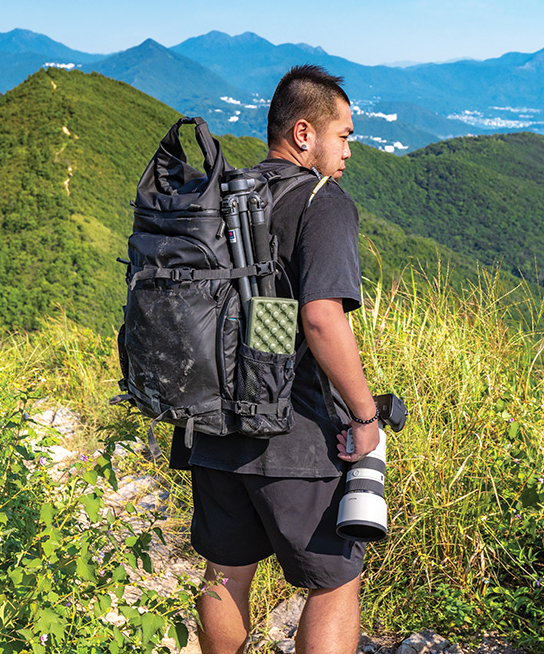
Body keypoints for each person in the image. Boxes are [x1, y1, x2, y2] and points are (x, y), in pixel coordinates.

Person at [171, 64, 380, 654]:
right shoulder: (321, 201)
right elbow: (320, 318)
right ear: (305, 134)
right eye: (344, 136)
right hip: (294, 434)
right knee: (334, 583)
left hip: (211, 423)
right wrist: (365, 417)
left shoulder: (225, 199)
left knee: (224, 574)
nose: (348, 151)